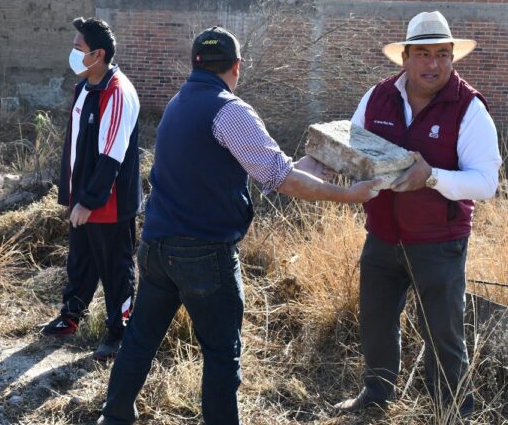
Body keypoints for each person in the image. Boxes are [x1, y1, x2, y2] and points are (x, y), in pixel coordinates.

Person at [97, 26, 382, 425]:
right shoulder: (230, 110)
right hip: (204, 255)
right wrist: (348, 195)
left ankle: (115, 416)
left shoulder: (179, 103)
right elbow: (281, 179)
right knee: (220, 355)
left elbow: (271, 172)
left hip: (157, 247)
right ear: (237, 67)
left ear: (195, 62)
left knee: (141, 340)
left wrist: (314, 168)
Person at [334, 11, 502, 418]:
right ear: (405, 58)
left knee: (442, 332)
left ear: (452, 59)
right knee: (375, 319)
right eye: (424, 54)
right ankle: (376, 395)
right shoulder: (377, 96)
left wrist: (432, 178)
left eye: (443, 55)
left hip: (438, 242)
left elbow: (485, 183)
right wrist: (329, 166)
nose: (434, 64)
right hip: (382, 234)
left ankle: (451, 410)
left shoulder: (469, 108)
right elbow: (352, 146)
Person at [41, 17, 141, 363]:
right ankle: (71, 317)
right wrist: (71, 196)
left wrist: (88, 200)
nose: (72, 53)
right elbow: (78, 147)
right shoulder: (84, 87)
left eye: (77, 48)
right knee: (80, 262)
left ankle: (120, 332)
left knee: (115, 268)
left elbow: (111, 156)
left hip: (108, 202)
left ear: (98, 54)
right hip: (83, 198)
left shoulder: (118, 91)